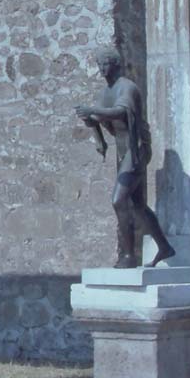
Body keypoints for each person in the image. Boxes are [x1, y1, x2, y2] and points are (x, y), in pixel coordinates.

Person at [74, 47, 175, 269]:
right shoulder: (105, 92)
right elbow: (100, 117)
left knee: (118, 200)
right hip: (123, 151)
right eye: (99, 65)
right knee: (138, 205)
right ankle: (164, 246)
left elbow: (121, 112)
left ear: (115, 65)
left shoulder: (126, 88)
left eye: (105, 64)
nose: (102, 69)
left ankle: (129, 257)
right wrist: (91, 122)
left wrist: (92, 110)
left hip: (136, 149)